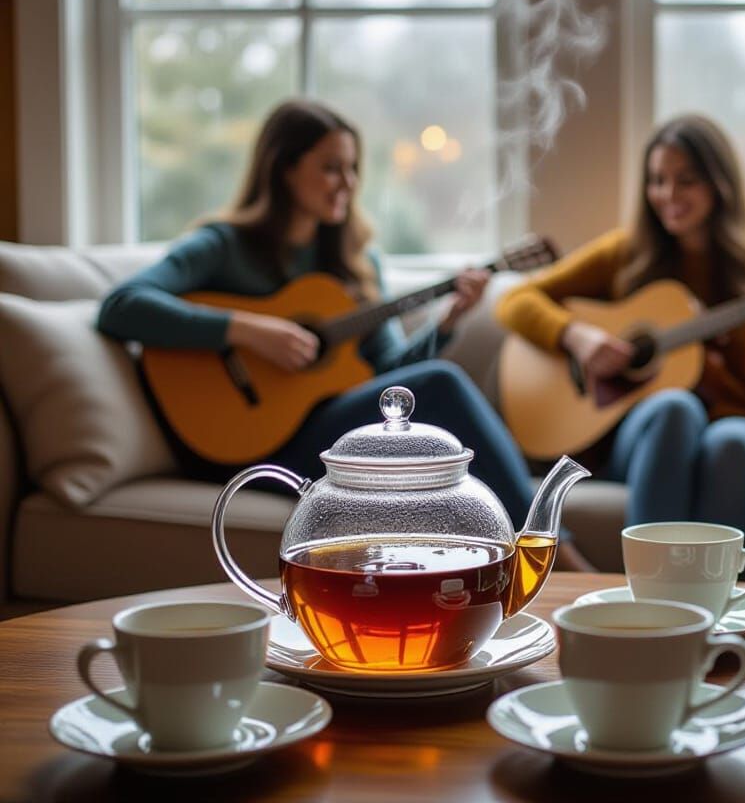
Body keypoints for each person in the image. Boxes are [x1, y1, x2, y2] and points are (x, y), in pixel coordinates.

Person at [97, 98, 593, 571]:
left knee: (434, 385)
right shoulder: (225, 247)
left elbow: (388, 380)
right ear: (283, 168)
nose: (348, 183)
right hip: (232, 446)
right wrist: (247, 331)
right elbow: (121, 307)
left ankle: (523, 552)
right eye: (331, 167)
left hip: (326, 438)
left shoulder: (358, 264)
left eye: (353, 168)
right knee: (442, 382)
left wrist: (447, 323)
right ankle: (553, 550)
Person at [496, 114, 745, 544]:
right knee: (673, 407)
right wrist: (577, 336)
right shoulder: (626, 253)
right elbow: (514, 300)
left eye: (686, 181)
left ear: (720, 183)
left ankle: (730, 599)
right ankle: (647, 598)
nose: (668, 195)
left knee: (728, 445)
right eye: (657, 180)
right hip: (646, 434)